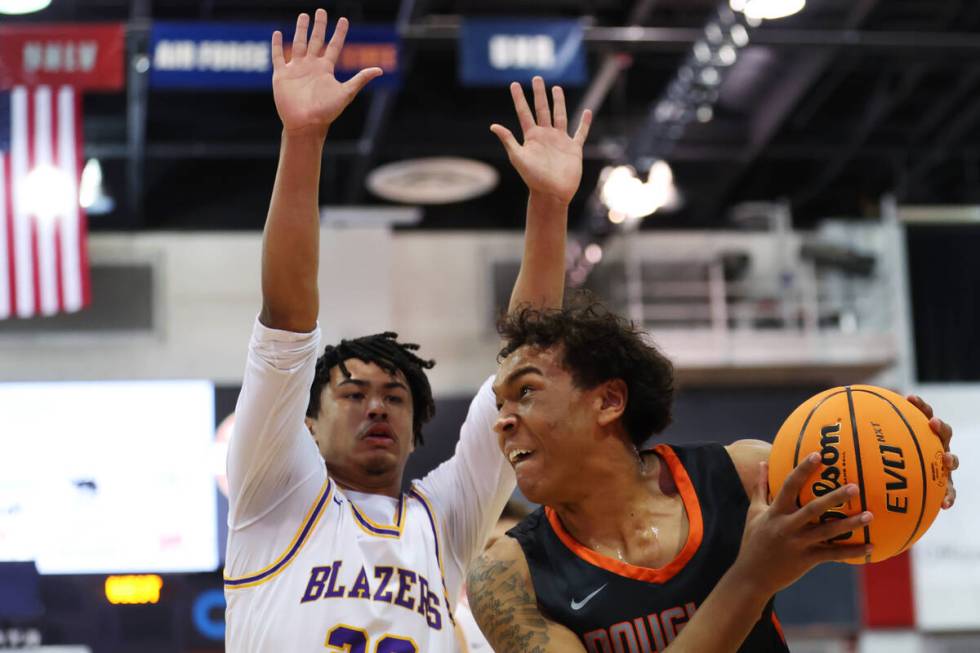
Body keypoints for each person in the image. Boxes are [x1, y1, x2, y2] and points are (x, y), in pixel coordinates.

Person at [221, 8, 593, 651]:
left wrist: (550, 208)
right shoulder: (272, 491)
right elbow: (286, 315)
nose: (376, 408)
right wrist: (303, 138)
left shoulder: (444, 520)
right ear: (305, 424)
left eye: (395, 397)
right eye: (353, 393)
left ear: (417, 426)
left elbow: (524, 362)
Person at [467, 302, 959, 652]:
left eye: (525, 392)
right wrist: (751, 578)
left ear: (609, 401)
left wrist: (917, 470)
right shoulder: (507, 577)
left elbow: (867, 517)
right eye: (500, 404)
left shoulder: (741, 476)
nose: (502, 419)